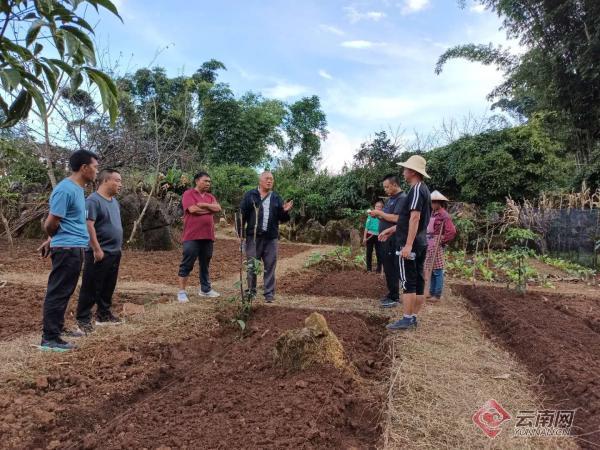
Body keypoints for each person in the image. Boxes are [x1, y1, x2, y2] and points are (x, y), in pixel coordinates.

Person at [38, 150, 99, 351]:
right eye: (95, 167)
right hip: (67, 248)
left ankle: (57, 328)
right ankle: (49, 338)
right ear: (84, 168)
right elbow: (51, 222)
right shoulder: (65, 189)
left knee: (65, 291)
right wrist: (54, 238)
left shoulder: (77, 190)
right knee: (58, 291)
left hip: (73, 247)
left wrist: (51, 239)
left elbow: (66, 220)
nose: (96, 171)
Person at [380, 155, 431, 330]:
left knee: (408, 281)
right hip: (421, 241)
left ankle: (407, 319)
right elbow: (407, 220)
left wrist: (408, 245)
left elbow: (415, 218)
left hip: (412, 243)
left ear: (413, 172)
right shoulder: (423, 189)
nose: (403, 172)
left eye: (406, 169)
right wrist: (391, 230)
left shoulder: (416, 190)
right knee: (418, 280)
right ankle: (413, 317)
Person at [75, 169, 124, 333]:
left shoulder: (114, 201)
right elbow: (88, 225)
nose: (120, 184)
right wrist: (96, 248)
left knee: (108, 285)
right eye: (117, 180)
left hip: (114, 251)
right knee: (91, 286)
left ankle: (103, 315)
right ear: (105, 181)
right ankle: (82, 319)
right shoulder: (92, 201)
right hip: (99, 252)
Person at [240, 171, 293, 303]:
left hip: (271, 238)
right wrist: (241, 235)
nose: (269, 181)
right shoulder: (250, 195)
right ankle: (251, 292)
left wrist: (285, 211)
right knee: (252, 265)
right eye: (267, 178)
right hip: (253, 238)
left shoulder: (276, 197)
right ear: (260, 180)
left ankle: (269, 293)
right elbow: (242, 215)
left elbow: (282, 218)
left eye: (272, 179)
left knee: (270, 265)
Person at [177, 172, 222, 303]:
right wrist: (210, 210)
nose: (208, 183)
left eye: (209, 181)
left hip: (208, 236)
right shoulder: (188, 194)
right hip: (192, 236)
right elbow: (192, 210)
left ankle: (205, 289)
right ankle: (181, 291)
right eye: (205, 181)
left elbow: (218, 208)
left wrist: (204, 205)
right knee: (187, 262)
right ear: (197, 181)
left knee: (205, 263)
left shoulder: (210, 196)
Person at [370, 175, 406, 307]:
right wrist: (377, 215)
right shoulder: (392, 199)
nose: (385, 189)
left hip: (393, 239)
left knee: (392, 268)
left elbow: (397, 218)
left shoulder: (402, 199)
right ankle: (391, 293)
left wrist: (379, 213)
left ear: (395, 185)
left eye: (387, 187)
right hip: (385, 239)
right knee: (388, 267)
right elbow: (386, 218)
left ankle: (395, 297)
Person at [424, 191, 456, 300]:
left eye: (433, 202)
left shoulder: (444, 214)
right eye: (431, 202)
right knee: (431, 268)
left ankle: (437, 294)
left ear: (439, 203)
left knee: (437, 269)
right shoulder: (432, 213)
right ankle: (431, 292)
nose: (431, 204)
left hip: (436, 243)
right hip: (430, 242)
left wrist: (442, 241)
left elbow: (451, 231)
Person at [364, 200, 384, 273]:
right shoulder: (370, 215)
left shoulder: (383, 216)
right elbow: (366, 227)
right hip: (370, 235)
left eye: (379, 207)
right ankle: (369, 268)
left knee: (379, 252)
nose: (378, 208)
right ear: (374, 207)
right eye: (376, 206)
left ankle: (378, 269)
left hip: (379, 235)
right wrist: (364, 237)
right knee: (369, 252)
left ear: (382, 208)